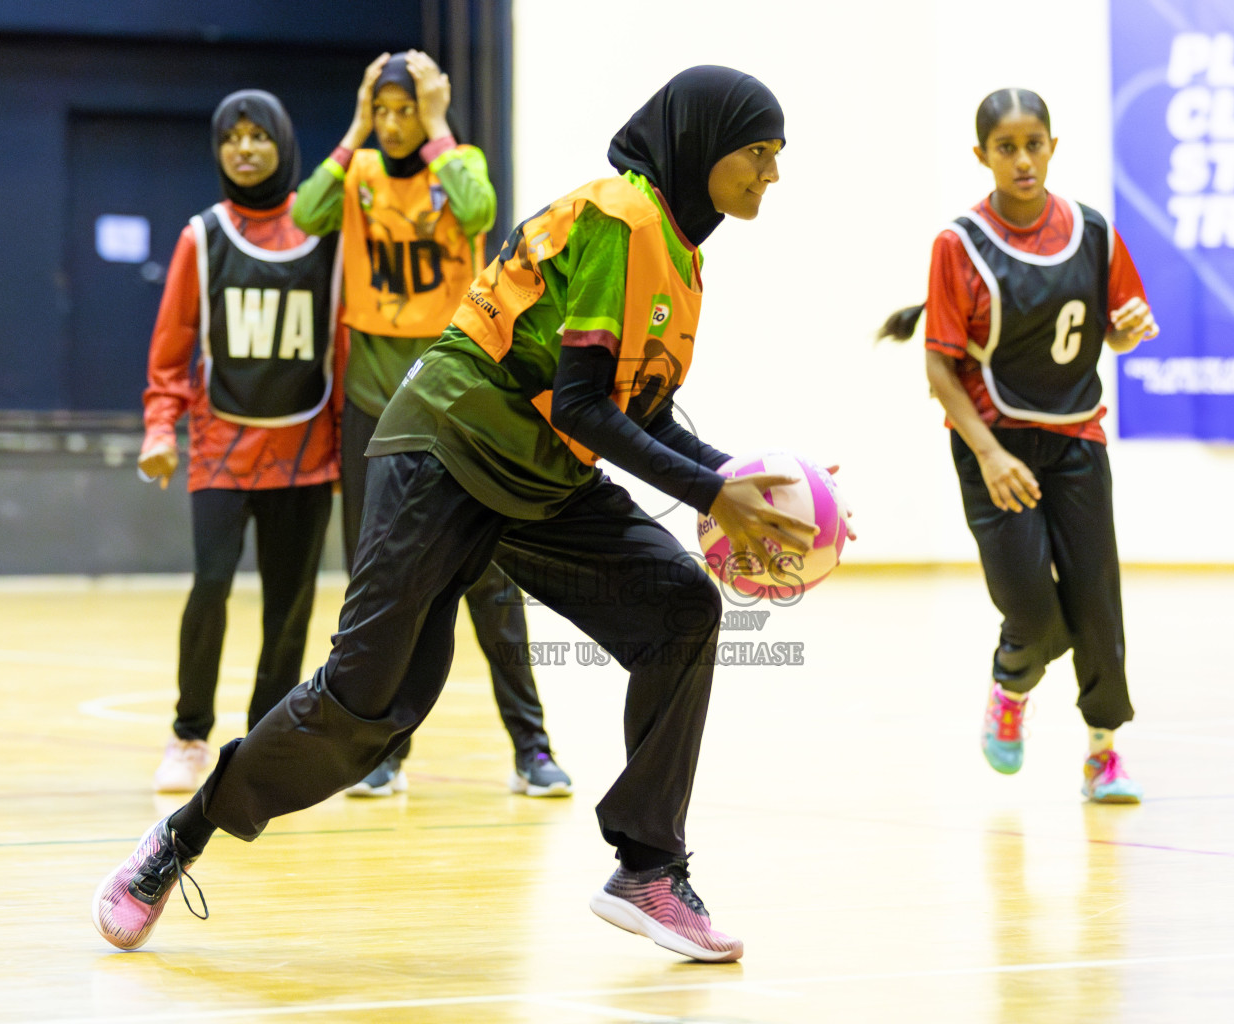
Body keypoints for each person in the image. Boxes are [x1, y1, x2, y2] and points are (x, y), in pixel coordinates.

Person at [95, 65, 816, 963]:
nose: (770, 174)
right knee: (368, 704)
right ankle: (177, 842)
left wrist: (752, 477)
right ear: (705, 144)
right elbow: (588, 406)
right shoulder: (616, 219)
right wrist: (713, 492)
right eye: (758, 153)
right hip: (445, 448)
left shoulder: (677, 252)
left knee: (680, 605)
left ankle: (649, 869)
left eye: (776, 156)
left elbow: (641, 409)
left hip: (536, 473)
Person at [292, 50, 570, 798]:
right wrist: (352, 129)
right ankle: (380, 754)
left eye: (403, 109)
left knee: (490, 577)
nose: (391, 123)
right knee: (379, 584)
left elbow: (480, 210)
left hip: (454, 404)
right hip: (371, 402)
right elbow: (303, 214)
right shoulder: (356, 173)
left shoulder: (458, 163)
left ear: (428, 109)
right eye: (380, 110)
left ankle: (532, 749)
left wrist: (442, 127)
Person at [880, 88, 1158, 804]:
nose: (1022, 158)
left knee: (1097, 602)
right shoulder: (958, 243)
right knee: (1031, 611)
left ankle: (1103, 753)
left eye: (1034, 143)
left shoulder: (1092, 231)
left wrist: (1127, 332)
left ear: (1052, 147)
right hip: (993, 443)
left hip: (1075, 440)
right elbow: (938, 368)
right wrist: (989, 454)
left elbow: (1113, 331)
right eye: (1006, 147)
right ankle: (1011, 683)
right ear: (982, 157)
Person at [139, 91, 341, 793]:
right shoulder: (203, 235)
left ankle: (263, 740)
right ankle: (189, 733)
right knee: (211, 587)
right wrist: (160, 427)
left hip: (306, 450)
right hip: (221, 446)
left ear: (283, 144)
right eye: (232, 137)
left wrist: (350, 449)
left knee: (291, 606)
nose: (245, 149)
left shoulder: (325, 234)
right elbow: (170, 350)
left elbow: (342, 348)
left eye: (259, 136)